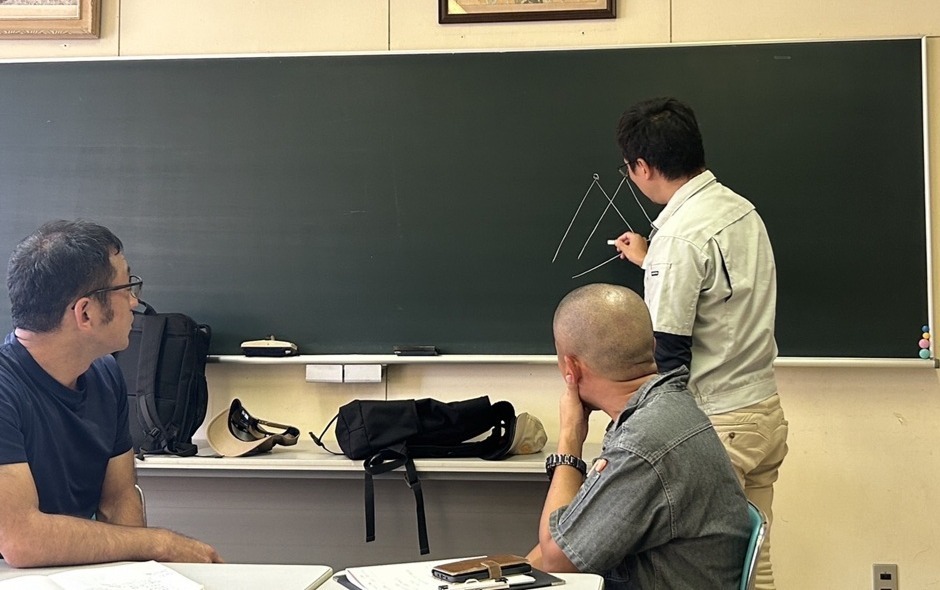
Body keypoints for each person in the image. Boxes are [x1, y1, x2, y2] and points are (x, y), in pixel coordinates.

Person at [612, 97, 788, 589]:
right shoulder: (740, 209)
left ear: (643, 166)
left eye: (628, 168)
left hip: (718, 423)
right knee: (752, 564)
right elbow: (719, 294)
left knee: (699, 573)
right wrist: (652, 260)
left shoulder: (681, 237)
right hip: (761, 413)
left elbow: (668, 353)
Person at [0, 219, 221, 567]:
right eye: (127, 287)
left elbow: (118, 499)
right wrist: (160, 544)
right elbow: (21, 540)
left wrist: (137, 577)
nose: (135, 302)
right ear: (86, 313)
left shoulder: (105, 375)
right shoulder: (5, 390)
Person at [527, 283, 750, 589]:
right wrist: (511, 571)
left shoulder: (642, 446)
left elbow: (558, 560)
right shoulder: (665, 408)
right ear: (653, 346)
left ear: (571, 368)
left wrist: (569, 439)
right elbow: (574, 533)